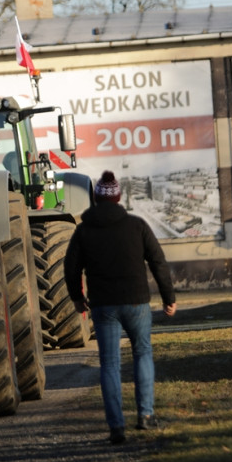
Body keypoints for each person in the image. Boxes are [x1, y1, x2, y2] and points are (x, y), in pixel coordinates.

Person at [64, 170, 177, 445]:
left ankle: (116, 427)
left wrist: (77, 297)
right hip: (137, 301)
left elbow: (71, 267)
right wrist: (168, 297)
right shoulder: (137, 225)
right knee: (142, 353)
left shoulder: (82, 230)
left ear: (95, 199)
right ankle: (146, 416)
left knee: (110, 364)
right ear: (118, 197)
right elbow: (158, 262)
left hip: (103, 306)